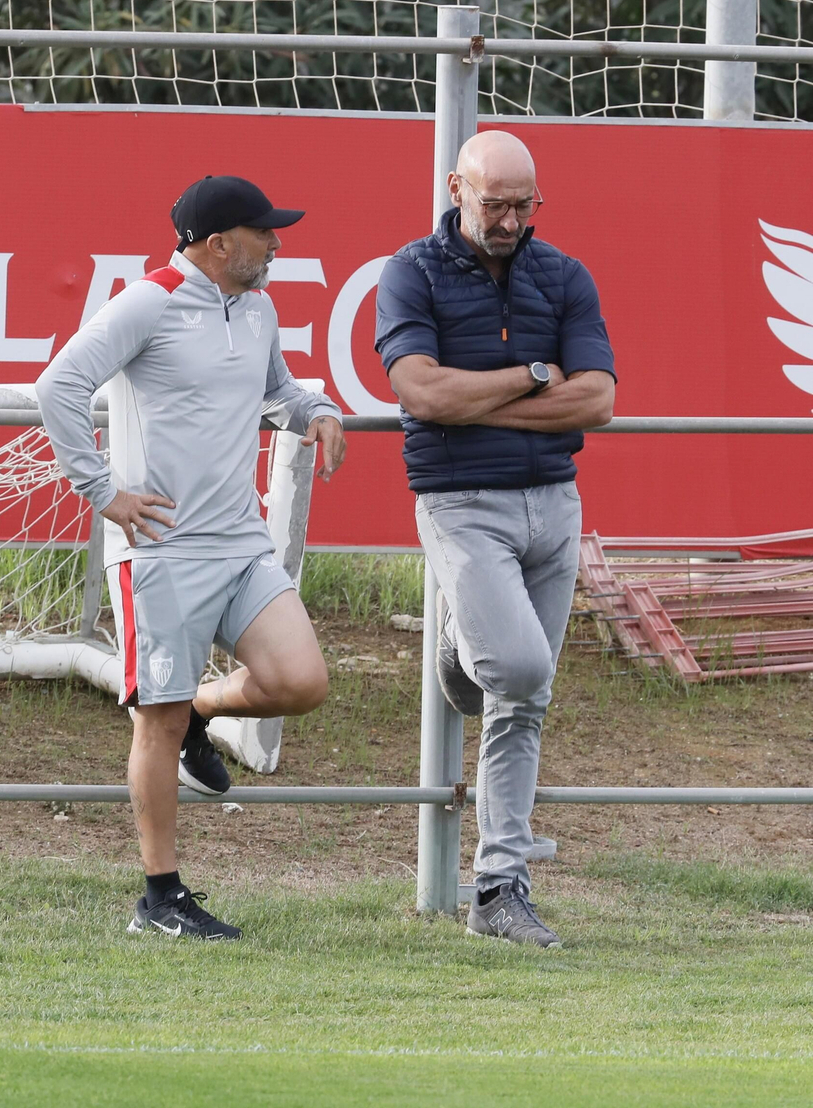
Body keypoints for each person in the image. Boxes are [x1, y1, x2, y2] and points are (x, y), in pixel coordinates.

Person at [36, 175, 347, 941]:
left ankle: (202, 714)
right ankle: (160, 899)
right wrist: (103, 491)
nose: (277, 244)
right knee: (156, 724)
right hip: (160, 552)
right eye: (264, 233)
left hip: (240, 542)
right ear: (218, 245)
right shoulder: (149, 300)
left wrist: (318, 409)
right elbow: (58, 386)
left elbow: (277, 391)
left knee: (301, 681)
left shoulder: (260, 307)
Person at [374, 130, 616, 948]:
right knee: (517, 669)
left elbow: (598, 400)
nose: (511, 219)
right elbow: (420, 390)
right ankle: (458, 651)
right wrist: (530, 376)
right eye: (495, 203)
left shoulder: (566, 274)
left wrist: (480, 400)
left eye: (525, 204)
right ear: (456, 188)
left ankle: (499, 889)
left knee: (525, 698)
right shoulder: (410, 270)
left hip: (555, 499)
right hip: (461, 498)